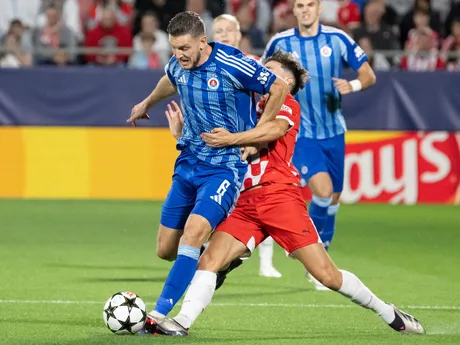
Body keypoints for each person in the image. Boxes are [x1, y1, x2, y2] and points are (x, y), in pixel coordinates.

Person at [144, 50, 425, 337]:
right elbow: (215, 144)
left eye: (270, 70)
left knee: (327, 275)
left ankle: (387, 312)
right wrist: (183, 136)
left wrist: (233, 138)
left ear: (286, 81)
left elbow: (274, 130)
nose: (261, 73)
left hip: (279, 197)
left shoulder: (286, 103)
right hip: (243, 201)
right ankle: (182, 322)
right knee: (210, 260)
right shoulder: (243, 104)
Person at [127, 11, 289, 320]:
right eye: (174, 48)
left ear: (203, 41)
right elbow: (170, 78)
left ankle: (159, 314)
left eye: (185, 48)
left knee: (194, 232)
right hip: (188, 162)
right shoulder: (178, 63)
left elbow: (279, 87)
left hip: (224, 167)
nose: (179, 55)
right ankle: (216, 259)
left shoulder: (232, 63)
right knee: (166, 250)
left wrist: (253, 135)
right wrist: (147, 103)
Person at [262, 0, 377, 289]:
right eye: (299, 5)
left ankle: (323, 252)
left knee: (333, 198)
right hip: (299, 133)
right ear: (294, 10)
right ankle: (314, 260)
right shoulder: (280, 41)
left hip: (334, 131)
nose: (304, 10)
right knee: (322, 191)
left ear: (319, 8)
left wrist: (353, 86)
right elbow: (261, 76)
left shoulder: (338, 39)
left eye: (309, 5)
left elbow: (369, 74)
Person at [212, 13, 282, 279]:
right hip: (220, 145)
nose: (224, 35)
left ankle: (265, 261)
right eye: (219, 31)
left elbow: (274, 100)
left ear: (239, 35)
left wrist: (257, 136)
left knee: (259, 201)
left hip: (247, 146)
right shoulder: (206, 66)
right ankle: (223, 257)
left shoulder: (252, 64)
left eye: (229, 30)